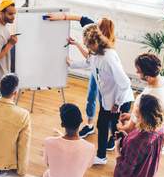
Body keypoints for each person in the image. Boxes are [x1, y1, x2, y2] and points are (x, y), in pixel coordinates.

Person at [46, 14, 120, 150]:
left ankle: (111, 135)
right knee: (91, 97)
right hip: (95, 71)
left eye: (98, 23)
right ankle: (90, 125)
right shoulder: (93, 29)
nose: (94, 23)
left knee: (107, 105)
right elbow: (81, 19)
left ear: (101, 31)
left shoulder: (107, 49)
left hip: (106, 79)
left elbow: (89, 59)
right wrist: (59, 17)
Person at [67, 24, 134, 165]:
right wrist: (71, 64)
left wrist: (117, 102)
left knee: (117, 131)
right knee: (102, 125)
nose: (83, 43)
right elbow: (87, 62)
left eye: (84, 41)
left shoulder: (108, 56)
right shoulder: (94, 52)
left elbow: (125, 83)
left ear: (90, 41)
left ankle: (123, 161)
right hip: (108, 100)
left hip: (119, 100)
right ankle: (101, 156)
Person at [113, 94, 164, 177]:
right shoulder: (159, 129)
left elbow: (125, 170)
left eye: (137, 106)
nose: (135, 107)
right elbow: (142, 151)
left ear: (143, 113)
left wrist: (117, 148)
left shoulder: (135, 141)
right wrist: (126, 138)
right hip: (144, 176)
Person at [42, 103, 95, 177]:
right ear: (81, 120)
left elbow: (47, 163)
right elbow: (88, 165)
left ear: (62, 125)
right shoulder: (90, 148)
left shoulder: (49, 142)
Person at [117, 53, 164, 133]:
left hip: (142, 135)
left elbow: (130, 129)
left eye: (139, 71)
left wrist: (119, 126)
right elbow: (151, 115)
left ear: (147, 77)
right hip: (158, 133)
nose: (137, 72)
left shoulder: (146, 97)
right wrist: (132, 117)